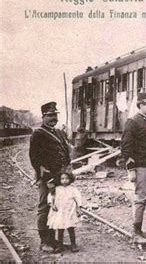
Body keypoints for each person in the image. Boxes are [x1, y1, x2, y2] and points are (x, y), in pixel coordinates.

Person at [29, 101, 71, 253]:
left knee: (57, 207)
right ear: (43, 116)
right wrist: (48, 179)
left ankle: (53, 240)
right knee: (45, 207)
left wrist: (67, 172)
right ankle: (44, 241)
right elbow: (36, 160)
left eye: (55, 115)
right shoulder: (38, 134)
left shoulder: (59, 132)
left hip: (60, 176)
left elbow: (65, 153)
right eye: (50, 115)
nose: (53, 118)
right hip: (47, 178)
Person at [121, 93, 146, 244]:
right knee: (141, 198)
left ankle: (140, 230)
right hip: (141, 165)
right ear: (141, 105)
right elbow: (126, 147)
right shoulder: (133, 122)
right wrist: (131, 168)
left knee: (144, 197)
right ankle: (136, 233)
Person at [47, 171, 82, 252]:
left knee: (71, 228)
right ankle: (60, 245)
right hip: (60, 212)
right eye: (62, 179)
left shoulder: (73, 189)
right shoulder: (56, 189)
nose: (64, 180)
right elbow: (50, 197)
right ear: (59, 180)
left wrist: (78, 208)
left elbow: (78, 198)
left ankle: (73, 244)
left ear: (70, 179)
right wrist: (51, 205)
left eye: (67, 178)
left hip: (69, 211)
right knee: (60, 229)